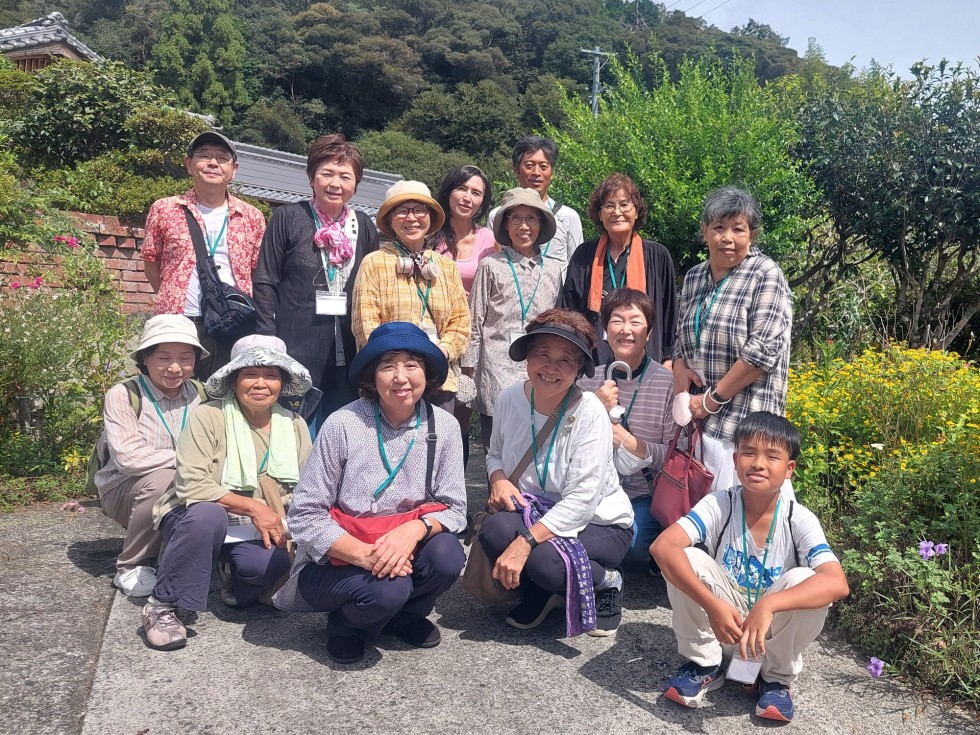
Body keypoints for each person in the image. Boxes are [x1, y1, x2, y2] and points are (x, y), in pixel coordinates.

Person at [274, 322, 467, 664]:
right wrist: (366, 556)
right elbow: (304, 515)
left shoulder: (445, 426)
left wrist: (414, 530)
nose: (400, 377)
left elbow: (454, 509)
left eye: (412, 364)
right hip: (339, 556)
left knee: (448, 554)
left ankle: (403, 617)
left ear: (427, 373)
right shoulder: (343, 424)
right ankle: (347, 626)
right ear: (370, 375)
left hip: (405, 543)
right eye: (387, 365)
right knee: (389, 588)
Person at [652, 412, 849, 722]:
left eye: (772, 456)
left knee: (806, 579)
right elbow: (662, 547)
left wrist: (768, 605)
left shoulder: (798, 517)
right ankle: (704, 664)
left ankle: (775, 680)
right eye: (748, 453)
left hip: (767, 638)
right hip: (722, 626)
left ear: (789, 469)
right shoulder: (720, 503)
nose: (758, 463)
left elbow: (837, 583)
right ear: (734, 460)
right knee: (687, 558)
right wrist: (712, 605)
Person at [140, 336, 313, 651]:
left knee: (268, 566)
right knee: (208, 515)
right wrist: (255, 508)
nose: (261, 383)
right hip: (193, 515)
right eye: (250, 374)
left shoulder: (295, 425)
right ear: (234, 379)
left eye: (272, 375)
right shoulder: (209, 416)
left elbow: (307, 487)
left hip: (255, 526)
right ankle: (162, 605)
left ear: (283, 382)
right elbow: (192, 485)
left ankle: (232, 580)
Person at [478, 309, 634, 637]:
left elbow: (582, 500)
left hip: (600, 522)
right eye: (542, 355)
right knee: (493, 531)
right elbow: (493, 455)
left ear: (579, 369)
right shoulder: (508, 398)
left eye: (566, 360)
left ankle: (606, 581)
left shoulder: (590, 411)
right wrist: (499, 478)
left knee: (544, 561)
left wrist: (524, 544)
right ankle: (544, 590)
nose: (551, 368)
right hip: (537, 508)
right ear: (527, 358)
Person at [253, 134, 380, 434]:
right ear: (311, 178)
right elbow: (265, 280)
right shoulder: (287, 217)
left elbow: (372, 285)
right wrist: (268, 342)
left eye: (345, 176)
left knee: (343, 429)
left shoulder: (364, 225)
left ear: (356, 184)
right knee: (294, 429)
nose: (335, 183)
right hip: (297, 344)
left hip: (348, 349)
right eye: (327, 173)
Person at [672, 186, 793, 492]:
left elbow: (762, 353)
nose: (727, 238)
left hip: (743, 424)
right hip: (699, 423)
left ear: (752, 235)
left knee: (741, 518)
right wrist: (678, 365)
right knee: (702, 519)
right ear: (705, 231)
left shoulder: (765, 273)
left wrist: (712, 399)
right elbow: (680, 334)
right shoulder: (695, 276)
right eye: (718, 228)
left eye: (738, 229)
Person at [95, 315, 208, 597]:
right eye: (163, 357)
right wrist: (188, 460)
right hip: (124, 489)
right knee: (165, 479)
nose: (174, 367)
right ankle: (132, 564)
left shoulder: (201, 394)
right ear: (145, 358)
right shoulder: (123, 395)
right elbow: (129, 460)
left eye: (185, 357)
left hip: (188, 483)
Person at [141, 131, 267, 379]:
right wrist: (174, 297)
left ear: (234, 169)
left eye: (222, 158)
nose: (213, 163)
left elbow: (255, 272)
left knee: (222, 391)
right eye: (204, 156)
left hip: (231, 323)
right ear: (189, 164)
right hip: (178, 319)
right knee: (172, 388)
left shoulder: (252, 216)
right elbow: (151, 264)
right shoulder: (165, 209)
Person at [351, 180, 471, 413]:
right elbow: (365, 325)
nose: (412, 218)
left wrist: (441, 352)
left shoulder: (446, 266)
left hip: (439, 376)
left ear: (430, 217)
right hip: (395, 382)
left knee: (436, 442)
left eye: (419, 210)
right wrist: (401, 365)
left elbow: (461, 321)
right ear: (390, 220)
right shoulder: (375, 263)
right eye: (402, 211)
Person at [578, 289, 675, 569]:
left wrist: (631, 443)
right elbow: (566, 437)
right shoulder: (589, 379)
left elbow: (673, 453)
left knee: (633, 546)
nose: (626, 330)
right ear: (606, 330)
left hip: (641, 490)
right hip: (594, 488)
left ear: (650, 330)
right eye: (617, 321)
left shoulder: (665, 382)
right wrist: (594, 405)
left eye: (635, 321)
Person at [463, 187, 563, 450]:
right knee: (495, 447)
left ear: (540, 224)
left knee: (535, 444)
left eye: (531, 218)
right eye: (516, 218)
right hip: (495, 368)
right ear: (506, 225)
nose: (524, 226)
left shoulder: (553, 270)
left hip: (539, 368)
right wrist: (468, 370)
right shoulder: (491, 265)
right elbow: (475, 320)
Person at [561, 173, 677, 366]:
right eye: (609, 206)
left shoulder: (657, 255)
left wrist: (669, 357)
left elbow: (670, 312)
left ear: (637, 211)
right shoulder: (584, 255)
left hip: (647, 358)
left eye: (624, 204)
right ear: (599, 213)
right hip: (594, 358)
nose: (617, 212)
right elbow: (569, 309)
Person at [425, 165, 496, 466]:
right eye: (462, 189)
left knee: (459, 420)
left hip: (469, 339)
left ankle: (457, 497)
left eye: (476, 192)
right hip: (430, 336)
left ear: (483, 201)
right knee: (427, 414)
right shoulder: (429, 233)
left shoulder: (490, 240)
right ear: (449, 191)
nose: (467, 197)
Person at [487, 136, 583, 276]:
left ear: (552, 173)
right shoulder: (498, 215)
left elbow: (577, 267)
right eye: (529, 165)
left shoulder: (568, 217)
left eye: (543, 166)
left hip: (555, 296)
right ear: (516, 170)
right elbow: (493, 261)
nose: (536, 173)